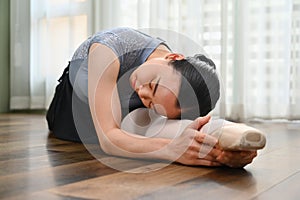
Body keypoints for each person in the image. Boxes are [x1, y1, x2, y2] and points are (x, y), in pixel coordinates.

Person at [46, 27, 258, 168]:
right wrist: (170, 151)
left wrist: (228, 151)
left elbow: (178, 127)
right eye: (154, 85)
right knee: (137, 126)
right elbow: (109, 139)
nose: (142, 93)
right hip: (73, 110)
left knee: (148, 122)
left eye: (153, 104)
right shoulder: (109, 49)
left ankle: (229, 132)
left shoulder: (160, 86)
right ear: (173, 57)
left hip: (125, 119)